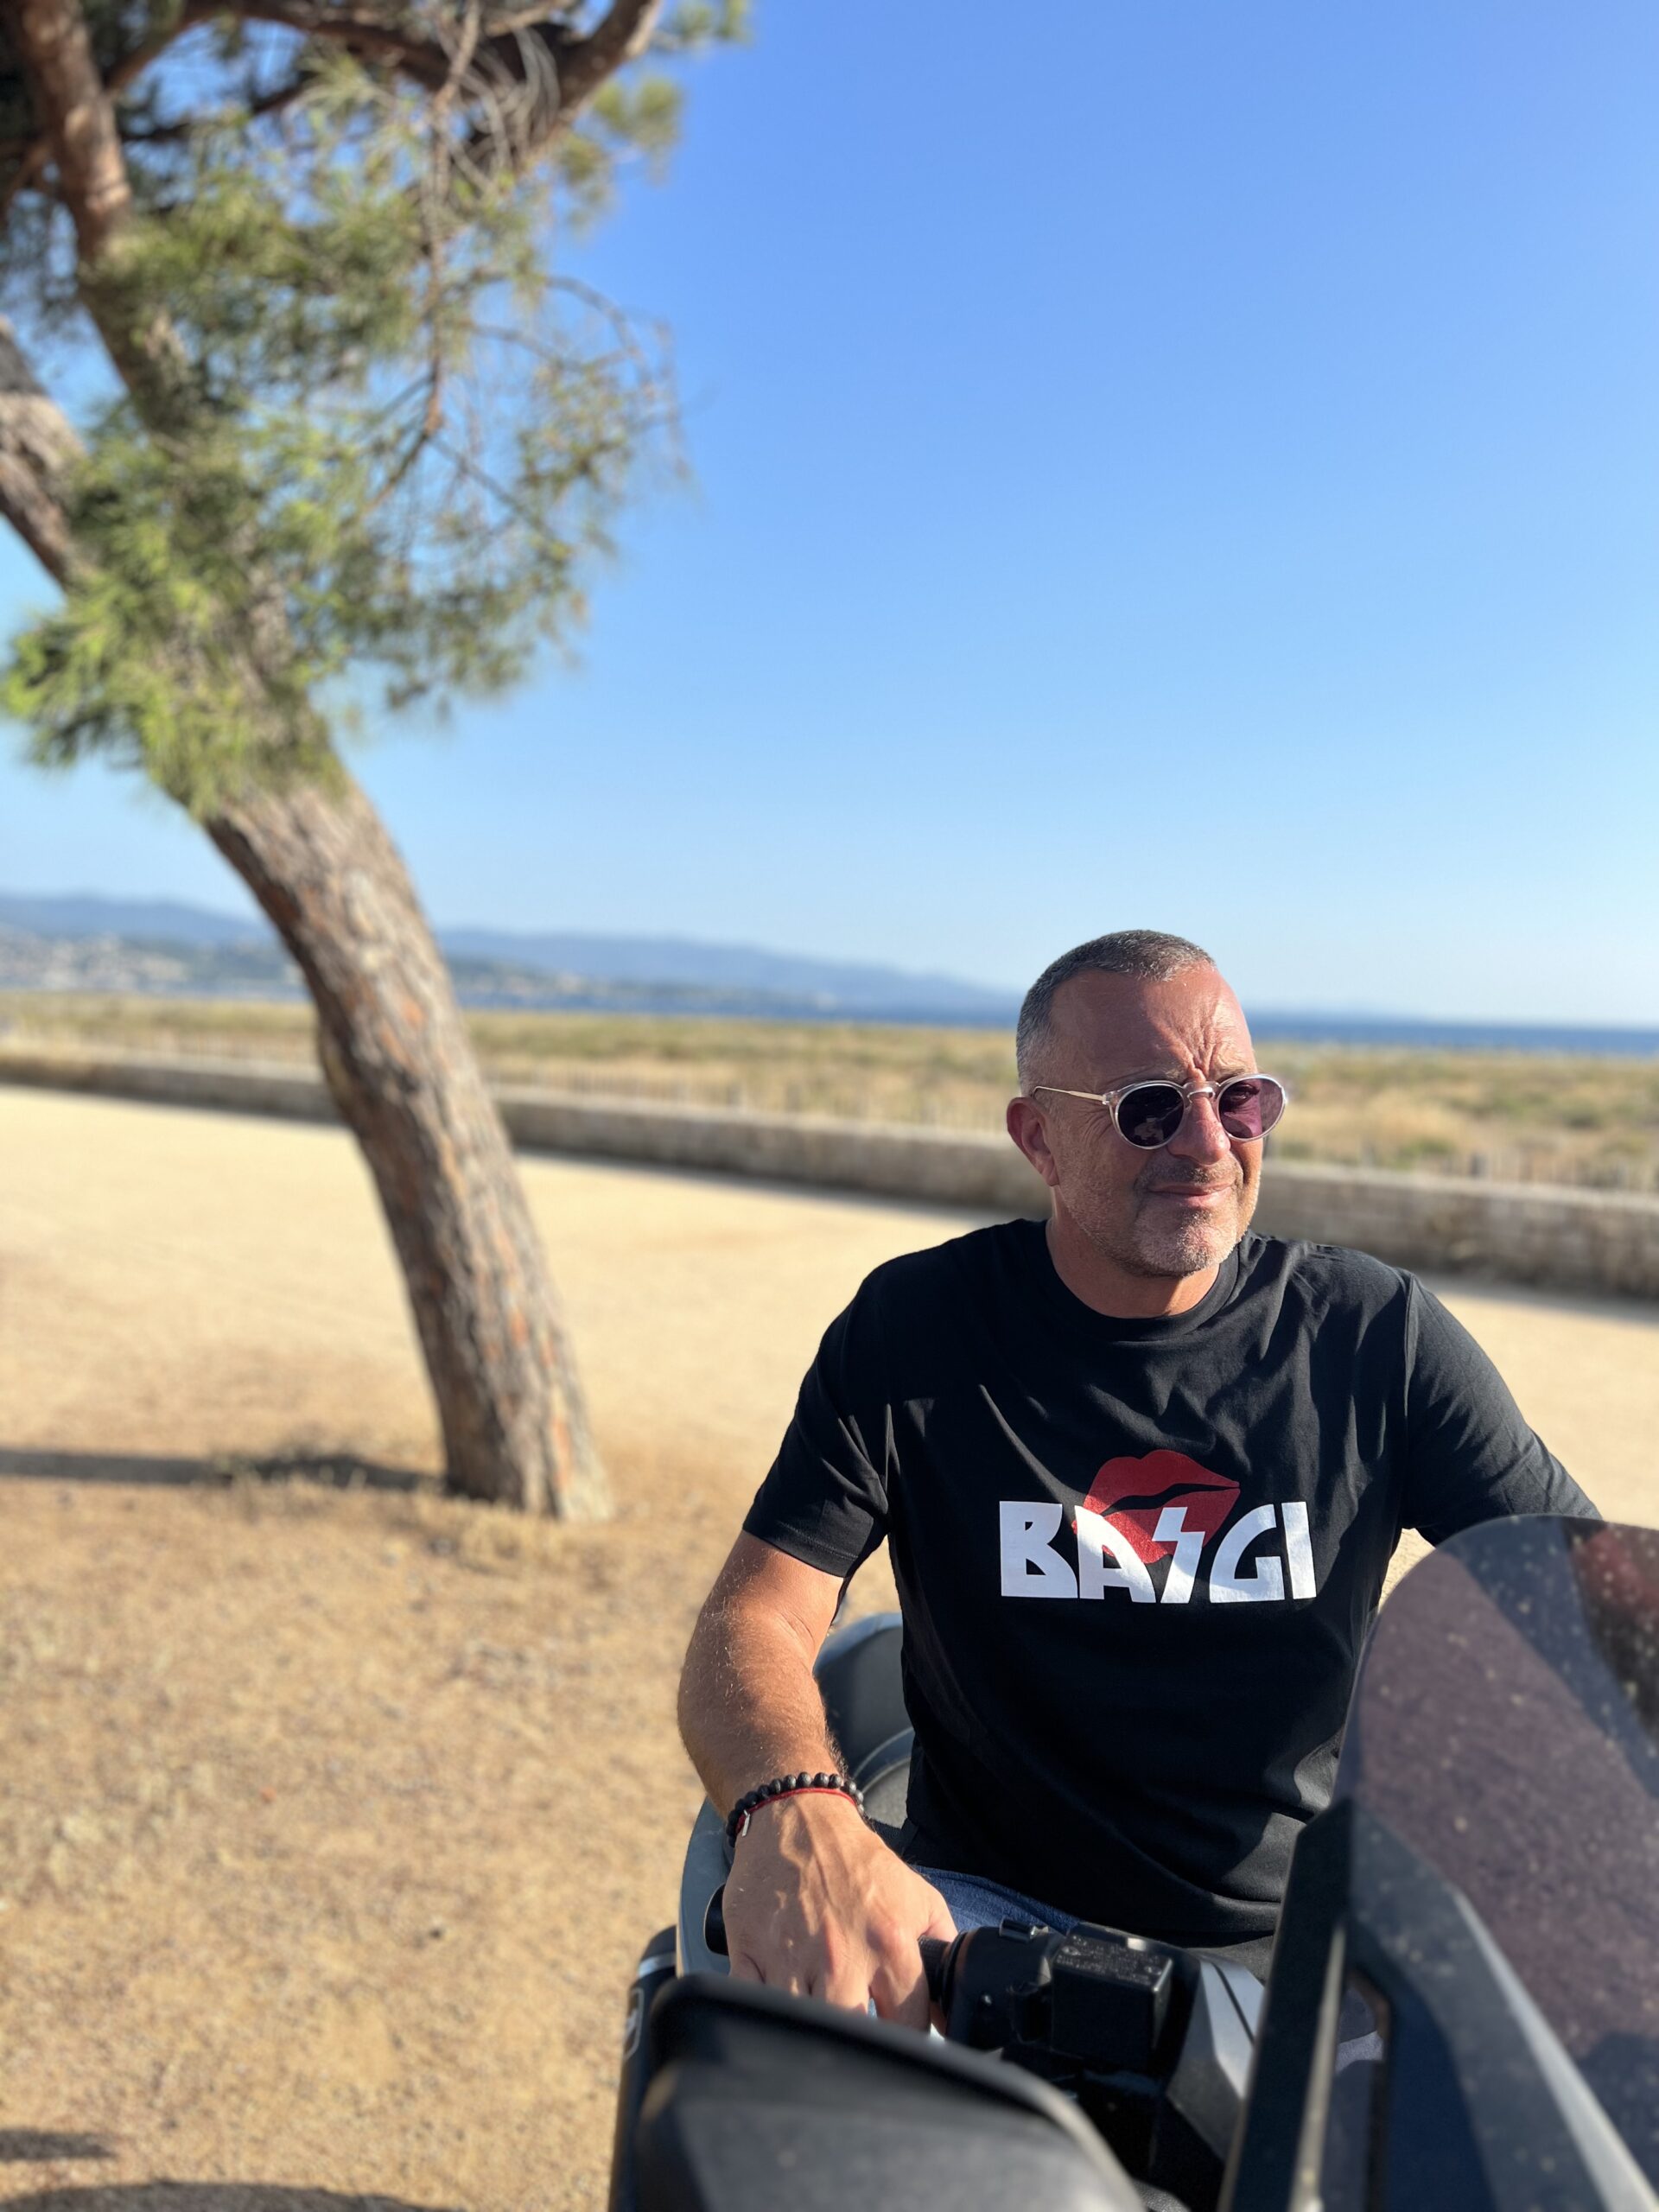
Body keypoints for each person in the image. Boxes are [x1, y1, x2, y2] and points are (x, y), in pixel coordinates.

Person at [677, 930, 1595, 2032]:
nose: (1208, 1144)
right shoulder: (918, 1331)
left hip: (1308, 1946)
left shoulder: (1375, 1338)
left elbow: (1592, 1611)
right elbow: (755, 1619)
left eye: (1240, 1099)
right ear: (1040, 1137)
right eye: (1149, 1109)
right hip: (989, 1930)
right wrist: (795, 1805)